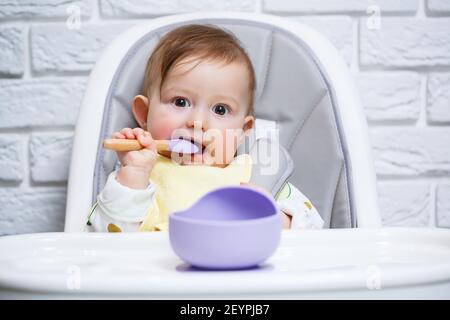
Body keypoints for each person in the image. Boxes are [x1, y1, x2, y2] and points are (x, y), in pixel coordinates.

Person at [86, 24, 324, 232]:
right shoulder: (139, 173)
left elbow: (314, 229)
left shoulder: (257, 176)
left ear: (243, 131)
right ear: (143, 114)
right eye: (180, 102)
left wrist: (272, 218)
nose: (198, 122)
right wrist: (134, 177)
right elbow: (103, 241)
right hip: (157, 280)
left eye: (220, 109)